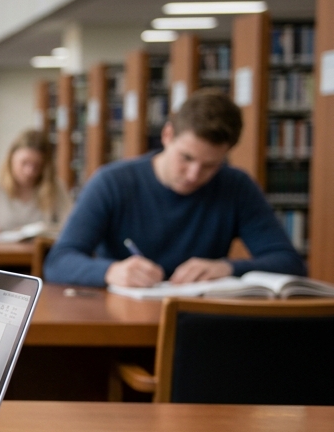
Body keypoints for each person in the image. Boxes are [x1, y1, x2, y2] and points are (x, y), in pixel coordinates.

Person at [45, 90, 305, 288]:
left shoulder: (236, 186)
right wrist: (110, 271)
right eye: (187, 158)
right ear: (167, 135)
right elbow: (58, 261)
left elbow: (289, 263)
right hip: (122, 318)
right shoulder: (112, 182)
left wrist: (228, 268)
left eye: (210, 165)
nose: (193, 175)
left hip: (197, 322)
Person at [0, 129, 72, 241]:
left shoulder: (54, 186)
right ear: (11, 158)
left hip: (41, 258)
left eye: (37, 166)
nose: (29, 171)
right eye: (24, 163)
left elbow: (72, 226)